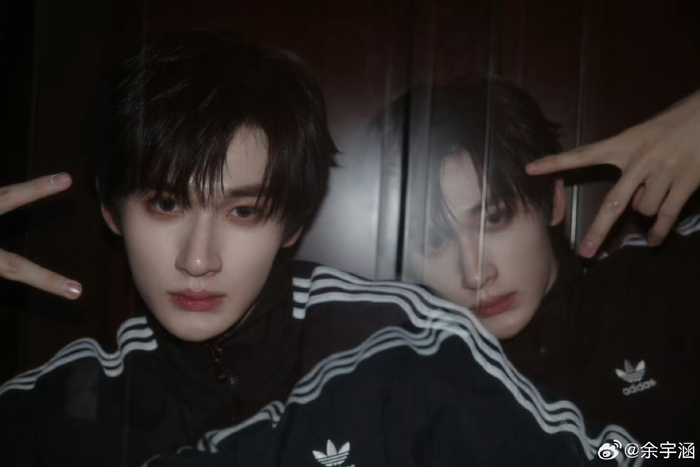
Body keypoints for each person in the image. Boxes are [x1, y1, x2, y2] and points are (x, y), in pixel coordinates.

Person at [0, 31, 634, 466]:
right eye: (166, 204)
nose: (198, 259)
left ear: (292, 224)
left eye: (244, 211)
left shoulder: (403, 345)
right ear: (111, 210)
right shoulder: (56, 404)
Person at [412, 77, 700, 463]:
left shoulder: (660, 287)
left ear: (555, 201)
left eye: (494, 218)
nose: (475, 276)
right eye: (434, 241)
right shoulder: (408, 383)